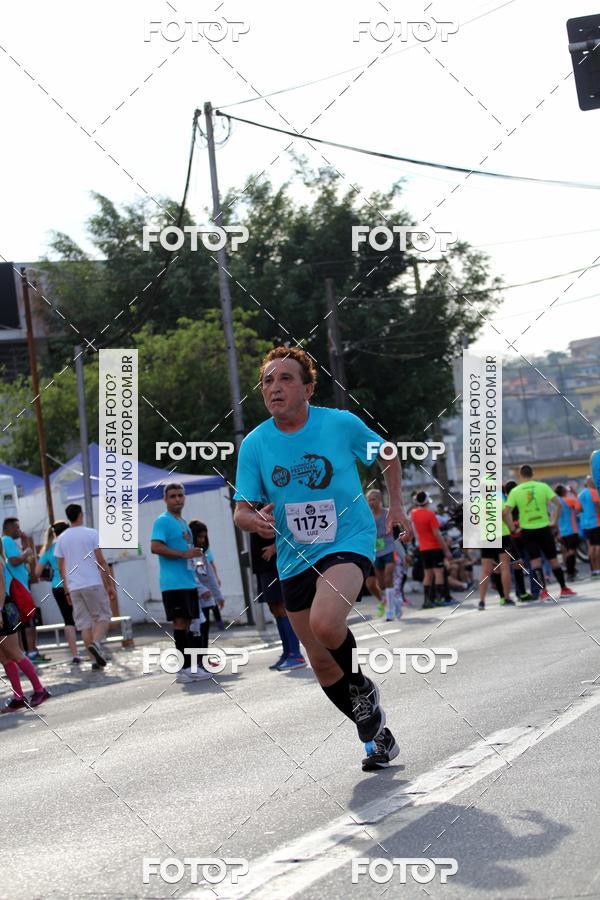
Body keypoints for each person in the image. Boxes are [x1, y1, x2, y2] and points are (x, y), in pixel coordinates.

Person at [233, 346, 413, 771]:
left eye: (286, 379)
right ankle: (376, 736)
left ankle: (364, 690)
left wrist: (396, 506)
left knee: (326, 623)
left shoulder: (339, 424)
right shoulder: (256, 444)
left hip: (346, 540)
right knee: (319, 662)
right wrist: (254, 521)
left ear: (308, 388)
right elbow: (241, 509)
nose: (274, 388)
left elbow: (387, 452)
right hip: (294, 557)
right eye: (267, 381)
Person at [150, 485, 209, 683]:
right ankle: (184, 669)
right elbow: (155, 547)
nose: (177, 499)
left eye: (180, 495)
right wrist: (184, 554)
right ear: (165, 500)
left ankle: (193, 666)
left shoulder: (183, 522)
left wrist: (193, 554)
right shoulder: (163, 521)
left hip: (188, 580)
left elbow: (188, 550)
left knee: (191, 624)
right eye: (173, 496)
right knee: (180, 623)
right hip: (173, 583)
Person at [54, 504, 117, 669]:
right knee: (103, 616)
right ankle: (96, 644)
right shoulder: (91, 533)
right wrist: (109, 584)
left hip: (74, 586)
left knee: (84, 624)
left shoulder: (61, 538)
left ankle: (94, 660)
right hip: (93, 583)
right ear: (81, 514)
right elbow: (101, 561)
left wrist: (67, 591)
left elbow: (61, 568)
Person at [506, 465, 575, 601]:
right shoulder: (542, 487)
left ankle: (544, 592)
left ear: (520, 475)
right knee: (553, 560)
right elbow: (559, 504)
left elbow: (506, 512)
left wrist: (513, 529)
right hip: (544, 527)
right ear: (532, 473)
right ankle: (564, 588)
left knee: (535, 562)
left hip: (527, 530)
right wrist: (554, 520)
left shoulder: (516, 491)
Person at [0, 538, 50, 712]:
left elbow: (1, 588)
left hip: (3, 610)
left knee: (14, 652)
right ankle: (18, 697)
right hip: (3, 610)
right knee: (5, 657)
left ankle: (39, 689)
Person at [250, 526, 307, 670]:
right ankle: (287, 652)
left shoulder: (268, 506)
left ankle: (296, 654)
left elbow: (290, 529)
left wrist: (275, 546)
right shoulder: (251, 509)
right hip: (262, 565)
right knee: (274, 608)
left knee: (282, 608)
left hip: (274, 564)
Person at [2, 518, 48, 664]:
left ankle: (28, 652)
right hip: (17, 588)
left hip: (21, 586)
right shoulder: (7, 540)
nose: (19, 530)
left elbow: (28, 559)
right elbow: (15, 560)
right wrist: (26, 551)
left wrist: (26, 543)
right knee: (27, 620)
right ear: (8, 528)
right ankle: (29, 652)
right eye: (16, 528)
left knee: (25, 620)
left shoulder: (11, 542)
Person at [35, 522, 81, 664]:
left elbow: (37, 572)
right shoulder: (70, 545)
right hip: (73, 584)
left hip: (57, 586)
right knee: (84, 618)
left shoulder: (48, 550)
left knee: (68, 620)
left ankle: (75, 655)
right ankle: (94, 649)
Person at [409, 492, 452, 609]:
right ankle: (440, 598)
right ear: (427, 501)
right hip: (434, 547)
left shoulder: (413, 514)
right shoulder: (430, 514)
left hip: (423, 548)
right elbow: (437, 534)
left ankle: (427, 600)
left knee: (427, 574)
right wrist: (446, 550)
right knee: (438, 573)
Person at [366, 490, 396, 620]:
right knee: (381, 583)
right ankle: (385, 601)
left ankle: (391, 609)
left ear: (379, 500)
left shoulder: (388, 513)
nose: (372, 502)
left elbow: (399, 530)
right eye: (370, 500)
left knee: (388, 577)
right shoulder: (367, 516)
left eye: (374, 499)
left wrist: (404, 551)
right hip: (376, 551)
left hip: (389, 548)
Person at [554, 484, 582, 582]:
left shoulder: (556, 503)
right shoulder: (569, 500)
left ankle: (570, 571)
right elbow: (580, 506)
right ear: (564, 492)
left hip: (562, 531)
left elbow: (555, 519)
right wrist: (574, 493)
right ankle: (571, 573)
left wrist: (557, 532)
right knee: (572, 552)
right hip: (571, 530)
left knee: (567, 552)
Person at [578, 476, 600, 577]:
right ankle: (598, 568)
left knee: (590, 547)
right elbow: (597, 507)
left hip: (585, 525)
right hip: (596, 522)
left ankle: (594, 570)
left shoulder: (580, 494)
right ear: (590, 482)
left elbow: (579, 510)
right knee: (598, 546)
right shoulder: (594, 492)